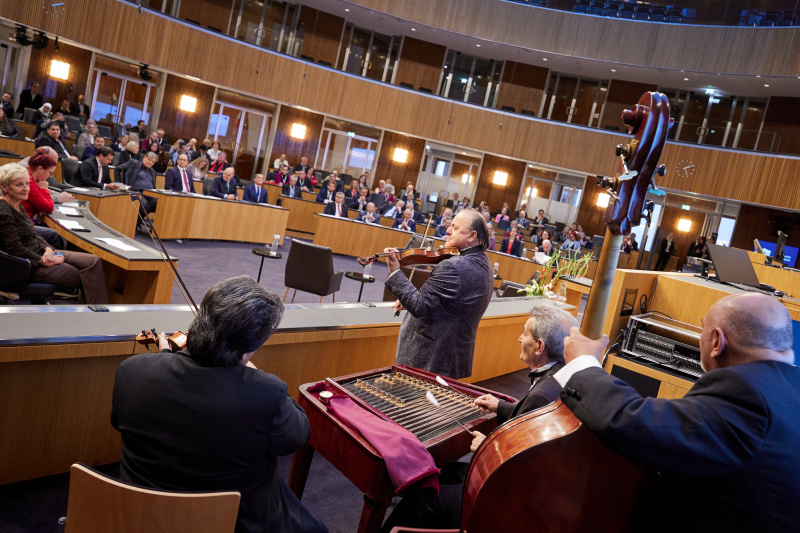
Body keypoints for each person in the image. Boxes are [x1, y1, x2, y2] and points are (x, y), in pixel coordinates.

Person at [556, 293, 800, 533]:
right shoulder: (790, 386)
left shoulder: (745, 391)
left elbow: (632, 422)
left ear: (716, 341)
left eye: (702, 329)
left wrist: (583, 364)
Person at [111, 276, 327, 533]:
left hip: (138, 515)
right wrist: (254, 373)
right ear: (247, 350)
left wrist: (164, 358)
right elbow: (297, 436)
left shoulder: (130, 371)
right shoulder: (266, 394)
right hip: (229, 522)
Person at [380, 303, 576, 531]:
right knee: (448, 470)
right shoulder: (559, 377)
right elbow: (531, 419)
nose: (519, 338)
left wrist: (487, 448)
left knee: (420, 497)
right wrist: (499, 406)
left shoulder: (542, 395)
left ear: (539, 346)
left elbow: (523, 466)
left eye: (524, 333)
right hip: (524, 488)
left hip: (499, 495)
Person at [385, 210, 493, 378]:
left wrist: (395, 272)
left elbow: (419, 306)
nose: (448, 230)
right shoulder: (482, 260)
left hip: (430, 358)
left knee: (412, 403)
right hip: (450, 355)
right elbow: (451, 301)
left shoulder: (455, 266)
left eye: (455, 228)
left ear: (472, 235)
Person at [0, 163, 108, 304]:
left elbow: (33, 233)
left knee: (93, 261)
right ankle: (98, 315)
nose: (26, 188)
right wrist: (42, 259)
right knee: (85, 276)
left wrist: (48, 249)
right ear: (4, 187)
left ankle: (92, 312)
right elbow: (15, 248)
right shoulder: (3, 210)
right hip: (27, 265)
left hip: (40, 253)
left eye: (27, 183)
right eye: (19, 185)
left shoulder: (17, 204)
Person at [21, 148, 70, 249]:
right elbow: (47, 207)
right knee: (55, 235)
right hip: (21, 224)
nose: (51, 177)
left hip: (25, 219)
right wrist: (44, 189)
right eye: (50, 172)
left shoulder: (31, 179)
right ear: (39, 169)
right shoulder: (28, 182)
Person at [118, 152, 158, 220]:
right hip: (136, 192)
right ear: (144, 157)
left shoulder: (153, 171)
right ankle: (134, 224)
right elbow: (118, 168)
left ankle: (154, 228)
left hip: (150, 193)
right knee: (145, 206)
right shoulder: (134, 163)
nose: (150, 162)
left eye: (152, 162)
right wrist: (120, 184)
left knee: (159, 205)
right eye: (149, 160)